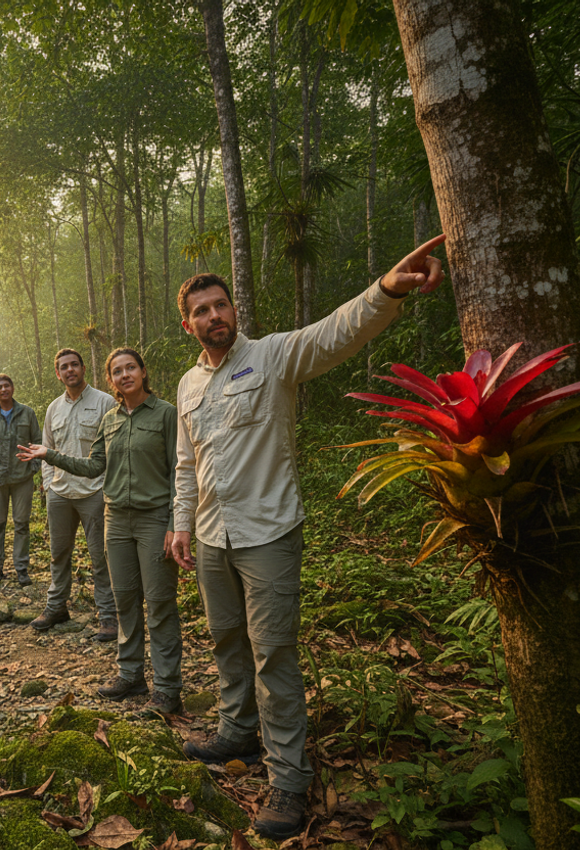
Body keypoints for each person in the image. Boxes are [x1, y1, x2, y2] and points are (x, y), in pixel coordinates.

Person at [169, 236, 447, 840]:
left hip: (268, 531)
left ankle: (289, 779)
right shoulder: (188, 386)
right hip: (213, 537)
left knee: (273, 654)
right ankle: (236, 729)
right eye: (202, 311)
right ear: (187, 323)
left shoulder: (270, 357)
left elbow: (333, 333)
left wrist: (386, 289)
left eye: (221, 305)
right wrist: (181, 522)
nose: (214, 316)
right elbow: (187, 464)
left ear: (233, 310)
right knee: (225, 638)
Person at [18, 349, 182, 714]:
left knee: (159, 604)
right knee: (125, 600)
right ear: (111, 379)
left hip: (154, 519)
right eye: (118, 371)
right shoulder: (109, 420)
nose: (125, 375)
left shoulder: (166, 414)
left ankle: (168, 690)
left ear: (142, 372)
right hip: (116, 520)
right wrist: (49, 455)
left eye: (131, 368)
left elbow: (179, 471)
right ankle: (131, 675)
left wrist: (176, 524)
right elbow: (93, 466)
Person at [31, 349, 119, 641]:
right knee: (59, 554)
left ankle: (108, 617)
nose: (69, 371)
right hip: (60, 492)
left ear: (83, 368)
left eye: (74, 365)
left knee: (100, 557)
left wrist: (108, 488)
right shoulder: (54, 408)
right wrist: (48, 485)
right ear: (57, 374)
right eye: (63, 367)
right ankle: (56, 607)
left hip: (94, 492)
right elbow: (46, 448)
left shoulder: (105, 402)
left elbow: (113, 451)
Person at [0, 373, 42, 589]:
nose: (3, 389)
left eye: (7, 385)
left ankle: (21, 569)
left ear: (12, 388)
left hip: (22, 479)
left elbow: (38, 443)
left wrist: (33, 468)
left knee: (22, 524)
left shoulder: (27, 413)